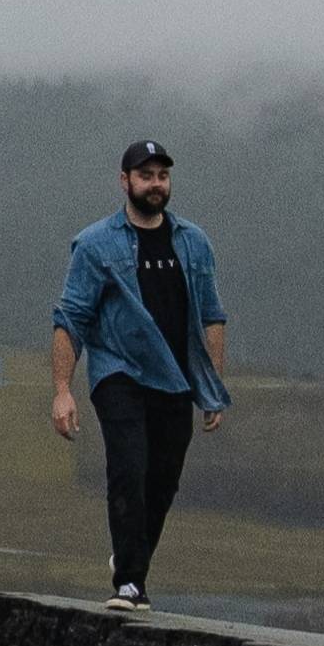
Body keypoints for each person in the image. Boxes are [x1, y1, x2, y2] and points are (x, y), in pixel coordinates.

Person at [49, 138, 229, 608]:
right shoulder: (95, 244)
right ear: (124, 181)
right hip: (119, 374)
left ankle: (129, 556)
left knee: (162, 482)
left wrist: (212, 387)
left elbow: (211, 315)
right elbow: (70, 318)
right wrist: (62, 391)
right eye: (145, 175)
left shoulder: (193, 241)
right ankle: (130, 584)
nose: (155, 184)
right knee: (129, 469)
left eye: (162, 176)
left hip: (176, 379)